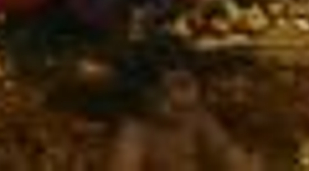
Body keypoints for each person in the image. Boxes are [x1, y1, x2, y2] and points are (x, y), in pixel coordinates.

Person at [107, 44, 259, 169]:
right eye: (160, 93)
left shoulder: (197, 118)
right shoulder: (135, 130)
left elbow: (225, 152)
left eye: (183, 85)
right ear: (141, 95)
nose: (175, 98)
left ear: (198, 84)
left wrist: (241, 162)